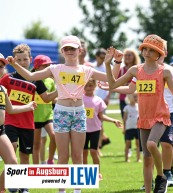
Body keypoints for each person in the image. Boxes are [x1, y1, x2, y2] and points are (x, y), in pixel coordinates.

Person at [6, 35, 123, 193]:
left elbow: (111, 78)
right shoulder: (56, 69)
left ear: (79, 51)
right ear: (62, 51)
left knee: (77, 155)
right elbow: (31, 76)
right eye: (66, 48)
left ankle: (77, 190)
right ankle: (61, 190)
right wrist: (14, 64)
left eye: (73, 48)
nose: (69, 51)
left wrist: (115, 62)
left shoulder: (86, 70)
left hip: (79, 114)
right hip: (61, 112)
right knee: (62, 155)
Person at [104, 34, 173, 193]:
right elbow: (113, 84)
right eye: (145, 49)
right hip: (144, 118)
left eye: (152, 50)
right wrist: (108, 64)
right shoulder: (136, 70)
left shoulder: (166, 72)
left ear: (159, 54)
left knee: (151, 144)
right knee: (147, 159)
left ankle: (162, 176)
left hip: (161, 116)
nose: (147, 52)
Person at [1, 44, 58, 193]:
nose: (22, 62)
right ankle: (11, 181)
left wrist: (62, 89)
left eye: (25, 59)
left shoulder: (36, 80)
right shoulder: (8, 78)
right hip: (10, 120)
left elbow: (46, 98)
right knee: (12, 149)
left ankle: (23, 186)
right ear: (14, 61)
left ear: (30, 60)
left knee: (25, 156)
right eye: (18, 60)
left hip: (27, 124)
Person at [0, 54, 37, 193]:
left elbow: (10, 109)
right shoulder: (5, 83)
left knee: (13, 162)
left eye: (2, 67)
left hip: (1, 131)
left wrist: (28, 107)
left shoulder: (2, 90)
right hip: (9, 126)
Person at [83, 79, 122, 181]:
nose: (88, 88)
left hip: (95, 130)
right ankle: (84, 173)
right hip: (82, 130)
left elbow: (101, 116)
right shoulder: (79, 99)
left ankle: (97, 173)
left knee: (93, 151)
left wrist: (113, 120)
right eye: (86, 86)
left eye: (90, 86)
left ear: (94, 87)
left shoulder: (98, 100)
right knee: (84, 152)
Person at [32, 55, 57, 165]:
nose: (48, 68)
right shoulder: (31, 80)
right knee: (36, 144)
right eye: (45, 66)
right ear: (37, 67)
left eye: (49, 66)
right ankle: (36, 167)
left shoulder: (50, 81)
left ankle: (50, 160)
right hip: (35, 117)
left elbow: (53, 98)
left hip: (48, 116)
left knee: (54, 136)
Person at [123, 93, 141, 162]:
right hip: (129, 128)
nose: (136, 98)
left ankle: (138, 158)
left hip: (137, 127)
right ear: (129, 97)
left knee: (138, 143)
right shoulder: (126, 108)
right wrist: (124, 128)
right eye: (134, 96)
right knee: (128, 143)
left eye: (136, 96)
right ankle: (126, 158)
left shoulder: (138, 106)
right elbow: (124, 119)